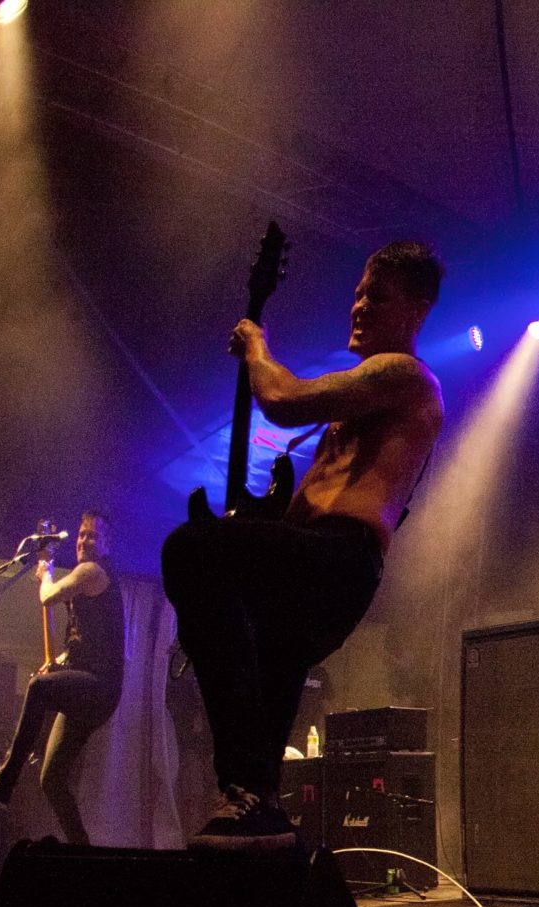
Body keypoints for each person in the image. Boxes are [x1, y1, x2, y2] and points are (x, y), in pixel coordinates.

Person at [162, 241, 445, 848]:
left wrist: (256, 348)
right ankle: (258, 808)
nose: (360, 303)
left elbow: (283, 401)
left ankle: (243, 786)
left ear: (416, 311)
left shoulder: (405, 375)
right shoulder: (359, 413)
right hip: (316, 557)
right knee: (269, 656)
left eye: (379, 294)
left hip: (339, 560)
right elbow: (299, 510)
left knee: (190, 549)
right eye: (360, 290)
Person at [0, 511, 122, 845]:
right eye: (82, 535)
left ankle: (4, 782)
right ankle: (81, 848)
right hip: (89, 685)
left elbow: (48, 597)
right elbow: (80, 642)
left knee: (39, 689)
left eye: (93, 537)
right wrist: (57, 663)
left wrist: (46, 572)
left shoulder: (93, 571)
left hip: (99, 687)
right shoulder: (87, 580)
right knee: (52, 779)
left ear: (107, 545)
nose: (84, 542)